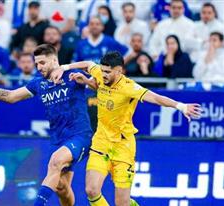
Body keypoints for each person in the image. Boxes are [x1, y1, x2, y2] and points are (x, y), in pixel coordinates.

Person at [50, 51, 202, 206]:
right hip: (101, 142)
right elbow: (88, 64)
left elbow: (156, 98)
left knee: (122, 203)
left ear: (119, 71)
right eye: (102, 71)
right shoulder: (101, 74)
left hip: (123, 147)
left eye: (108, 72)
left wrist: (181, 106)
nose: (103, 75)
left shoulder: (129, 87)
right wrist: (65, 68)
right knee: (91, 190)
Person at [0, 44, 92, 206]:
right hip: (58, 140)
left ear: (54, 60)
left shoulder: (71, 75)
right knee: (62, 188)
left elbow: (93, 66)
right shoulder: (38, 83)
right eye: (36, 64)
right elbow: (10, 97)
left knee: (55, 162)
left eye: (42, 63)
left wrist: (67, 67)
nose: (38, 67)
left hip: (80, 135)